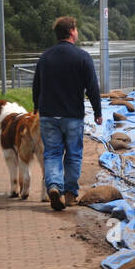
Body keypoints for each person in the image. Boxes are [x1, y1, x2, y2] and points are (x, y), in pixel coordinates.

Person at [32, 15, 102, 211]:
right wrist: (98, 111)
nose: (77, 32)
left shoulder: (45, 57)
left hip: (48, 115)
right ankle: (70, 194)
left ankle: (54, 187)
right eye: (76, 29)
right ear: (71, 32)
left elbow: (36, 85)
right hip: (72, 116)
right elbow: (92, 88)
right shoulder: (82, 57)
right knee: (73, 154)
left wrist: (36, 106)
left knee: (52, 153)